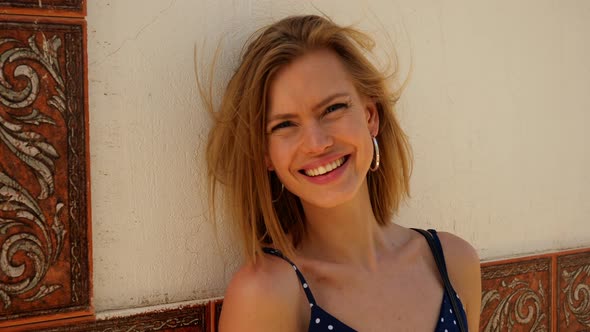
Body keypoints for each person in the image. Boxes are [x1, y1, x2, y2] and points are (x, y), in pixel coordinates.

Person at [204, 14, 481, 331]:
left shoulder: (454, 262)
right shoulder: (266, 294)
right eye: (285, 125)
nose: (317, 143)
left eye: (333, 109)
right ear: (266, 154)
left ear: (370, 117)